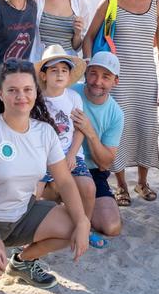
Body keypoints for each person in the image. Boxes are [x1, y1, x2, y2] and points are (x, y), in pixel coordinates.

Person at [0, 59, 90, 294]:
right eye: (12, 90)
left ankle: (23, 262)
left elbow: (65, 182)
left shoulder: (44, 132)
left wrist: (82, 221)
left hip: (21, 213)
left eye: (27, 89)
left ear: (36, 92)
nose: (21, 96)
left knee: (73, 227)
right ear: (1, 94)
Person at [83, 0, 159, 206]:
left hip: (146, 77)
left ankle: (142, 182)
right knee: (118, 129)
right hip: (117, 79)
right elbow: (89, 37)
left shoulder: (158, 5)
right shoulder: (111, 3)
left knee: (146, 127)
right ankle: (121, 185)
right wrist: (90, 67)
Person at [34, 45, 107, 248]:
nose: (59, 74)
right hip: (43, 156)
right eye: (54, 70)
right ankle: (30, 231)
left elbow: (79, 129)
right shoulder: (36, 100)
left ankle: (84, 227)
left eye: (64, 70)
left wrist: (72, 154)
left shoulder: (73, 98)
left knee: (89, 187)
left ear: (69, 75)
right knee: (32, 194)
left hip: (69, 152)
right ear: (44, 75)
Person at [70, 52, 125, 236]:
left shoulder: (116, 113)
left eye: (106, 77)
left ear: (116, 81)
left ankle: (78, 206)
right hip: (59, 164)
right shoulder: (69, 92)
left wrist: (89, 131)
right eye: (93, 73)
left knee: (111, 227)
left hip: (92, 171)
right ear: (86, 72)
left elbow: (105, 163)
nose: (97, 81)